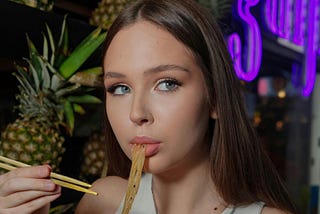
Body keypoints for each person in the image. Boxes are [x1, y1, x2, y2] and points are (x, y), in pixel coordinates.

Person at [0, 0, 298, 213]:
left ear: (216, 98)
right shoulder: (102, 201)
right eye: (119, 88)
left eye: (166, 83)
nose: (136, 113)